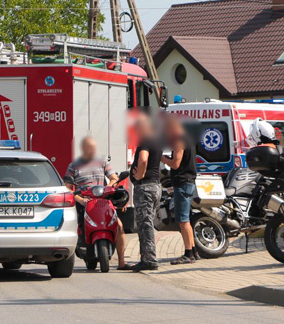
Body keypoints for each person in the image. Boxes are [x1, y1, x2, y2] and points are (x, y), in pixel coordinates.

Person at [65, 136, 129, 270]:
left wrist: (110, 186)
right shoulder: (73, 166)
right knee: (75, 228)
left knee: (120, 226)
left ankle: (122, 262)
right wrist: (80, 200)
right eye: (89, 147)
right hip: (84, 203)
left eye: (94, 148)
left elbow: (113, 177)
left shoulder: (102, 163)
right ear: (82, 149)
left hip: (102, 202)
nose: (92, 150)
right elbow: (68, 188)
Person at [161, 115, 198, 265]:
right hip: (188, 181)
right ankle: (194, 251)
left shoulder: (178, 140)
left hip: (182, 182)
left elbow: (175, 164)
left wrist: (162, 159)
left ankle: (188, 254)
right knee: (186, 219)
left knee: (182, 220)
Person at [129, 112, 162, 272]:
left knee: (145, 224)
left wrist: (139, 175)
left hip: (145, 187)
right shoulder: (157, 140)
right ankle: (146, 257)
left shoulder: (146, 141)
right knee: (146, 222)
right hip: (155, 186)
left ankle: (149, 259)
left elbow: (143, 159)